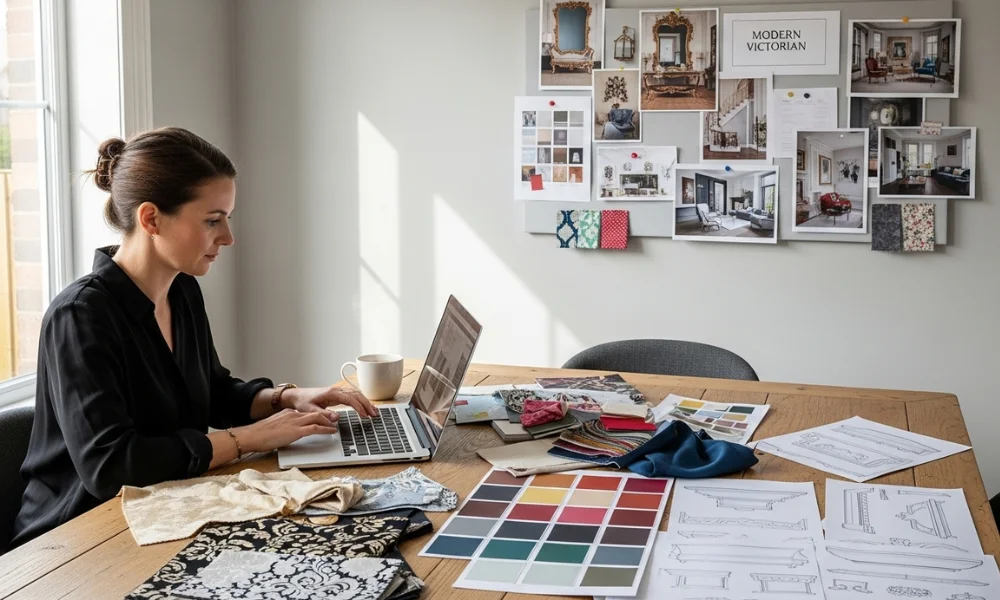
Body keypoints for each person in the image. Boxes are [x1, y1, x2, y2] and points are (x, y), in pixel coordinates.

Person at [9, 127, 378, 549]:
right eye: (211, 220)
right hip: (76, 538)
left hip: (161, 509)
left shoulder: (182, 290)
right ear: (150, 219)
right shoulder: (79, 316)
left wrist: (286, 398)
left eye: (227, 218)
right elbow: (110, 466)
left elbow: (213, 393)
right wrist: (249, 440)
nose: (227, 237)